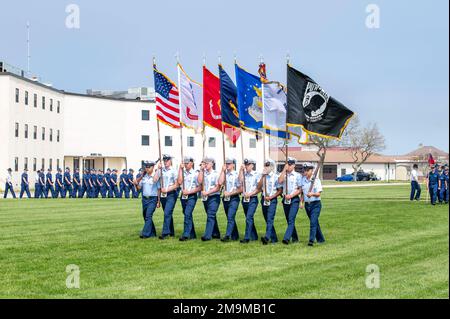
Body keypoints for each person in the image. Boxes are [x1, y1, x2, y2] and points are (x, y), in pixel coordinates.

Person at [257, 159, 282, 245]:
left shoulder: (276, 177)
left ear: (272, 167)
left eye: (267, 166)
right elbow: (259, 187)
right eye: (265, 165)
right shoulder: (263, 176)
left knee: (270, 218)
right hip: (264, 199)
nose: (266, 167)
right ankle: (274, 238)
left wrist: (271, 197)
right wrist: (262, 176)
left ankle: (267, 237)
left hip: (272, 200)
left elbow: (279, 191)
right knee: (267, 219)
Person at [278, 157, 302, 245]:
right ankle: (295, 238)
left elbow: (300, 189)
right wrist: (284, 169)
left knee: (291, 218)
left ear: (294, 165)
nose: (289, 166)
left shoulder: (297, 175)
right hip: (285, 199)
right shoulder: (283, 175)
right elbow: (280, 181)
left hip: (294, 199)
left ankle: (286, 238)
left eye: (290, 164)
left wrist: (291, 195)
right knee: (289, 220)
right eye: (287, 164)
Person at [301, 164, 325, 247]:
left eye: (307, 170)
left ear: (312, 171)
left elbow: (318, 194)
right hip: (307, 205)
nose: (306, 172)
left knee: (313, 222)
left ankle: (311, 240)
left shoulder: (316, 180)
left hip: (316, 204)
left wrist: (312, 194)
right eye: (305, 170)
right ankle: (321, 239)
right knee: (315, 222)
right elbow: (302, 193)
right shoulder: (303, 180)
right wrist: (301, 202)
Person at [198, 157, 222, 241]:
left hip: (214, 197)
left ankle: (207, 236)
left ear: (212, 163)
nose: (205, 164)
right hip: (206, 197)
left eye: (207, 163)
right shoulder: (203, 173)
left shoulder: (216, 173)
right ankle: (216, 233)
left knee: (210, 215)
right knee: (211, 215)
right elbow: (200, 181)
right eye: (204, 163)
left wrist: (207, 192)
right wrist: (201, 170)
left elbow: (217, 187)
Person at [135, 161, 161, 239]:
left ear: (153, 167)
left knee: (148, 215)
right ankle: (152, 233)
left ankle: (145, 233)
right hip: (144, 199)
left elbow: (159, 189)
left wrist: (158, 201)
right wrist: (136, 184)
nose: (147, 168)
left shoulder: (155, 177)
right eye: (146, 167)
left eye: (148, 167)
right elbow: (139, 188)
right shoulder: (144, 177)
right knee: (146, 216)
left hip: (153, 199)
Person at [154, 155, 178, 239]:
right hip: (163, 195)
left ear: (170, 161)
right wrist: (158, 169)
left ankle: (165, 232)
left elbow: (177, 184)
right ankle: (171, 231)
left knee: (167, 212)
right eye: (164, 160)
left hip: (171, 193)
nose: (165, 162)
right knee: (168, 213)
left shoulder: (174, 170)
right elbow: (155, 180)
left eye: (167, 160)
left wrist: (167, 190)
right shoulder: (161, 170)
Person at [178, 156, 201, 241]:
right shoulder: (182, 172)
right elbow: (179, 182)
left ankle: (186, 234)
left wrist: (189, 192)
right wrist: (180, 169)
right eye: (185, 163)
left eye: (187, 163)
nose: (186, 165)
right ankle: (192, 234)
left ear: (192, 163)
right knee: (187, 215)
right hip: (183, 197)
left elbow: (199, 188)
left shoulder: (196, 173)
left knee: (187, 213)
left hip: (191, 196)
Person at [219, 158, 242, 242]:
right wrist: (222, 171)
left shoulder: (236, 175)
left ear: (233, 165)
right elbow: (220, 182)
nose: (227, 165)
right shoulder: (224, 174)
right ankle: (235, 235)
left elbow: (240, 189)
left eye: (229, 163)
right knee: (230, 218)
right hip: (225, 199)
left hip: (234, 198)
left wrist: (230, 193)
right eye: (226, 163)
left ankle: (227, 235)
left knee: (230, 216)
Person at [239, 158, 260, 243]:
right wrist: (241, 170)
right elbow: (240, 181)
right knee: (249, 218)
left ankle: (247, 237)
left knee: (248, 217)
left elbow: (259, 189)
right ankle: (254, 236)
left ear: (252, 165)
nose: (246, 166)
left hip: (253, 199)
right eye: (245, 164)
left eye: (248, 165)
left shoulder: (256, 174)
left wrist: (250, 194)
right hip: (244, 199)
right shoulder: (244, 174)